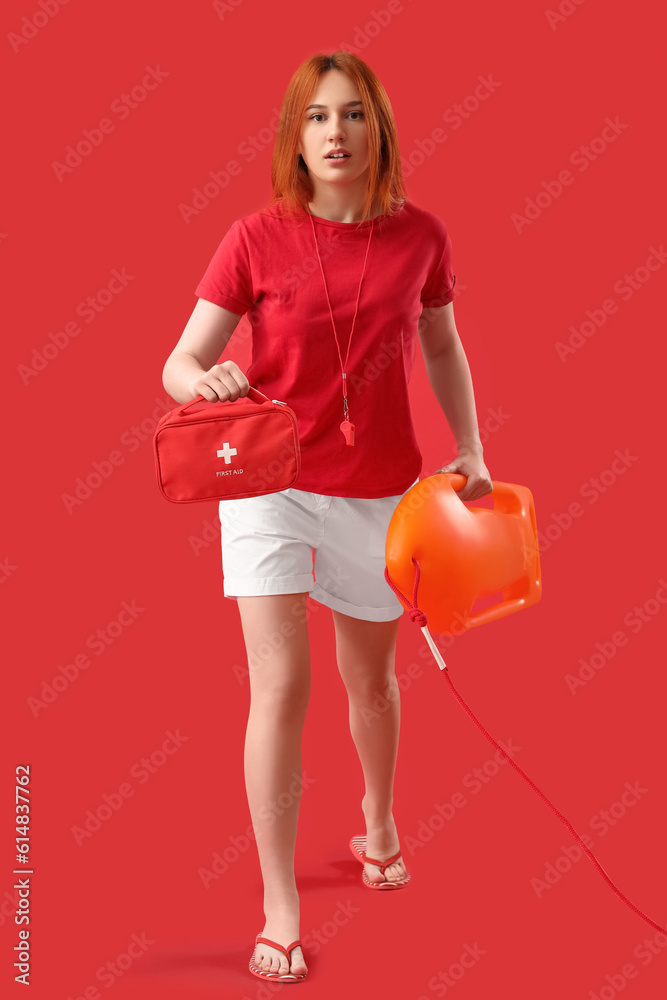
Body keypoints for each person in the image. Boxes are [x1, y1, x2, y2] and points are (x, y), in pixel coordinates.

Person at [162, 50, 493, 983]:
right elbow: (179, 362)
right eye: (315, 118)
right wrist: (210, 378)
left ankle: (378, 822)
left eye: (351, 115)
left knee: (372, 682)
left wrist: (471, 447)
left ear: (378, 129)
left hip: (380, 491)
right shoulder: (254, 237)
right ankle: (279, 903)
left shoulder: (420, 236)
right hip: (270, 483)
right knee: (280, 689)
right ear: (294, 138)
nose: (335, 133)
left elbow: (442, 343)